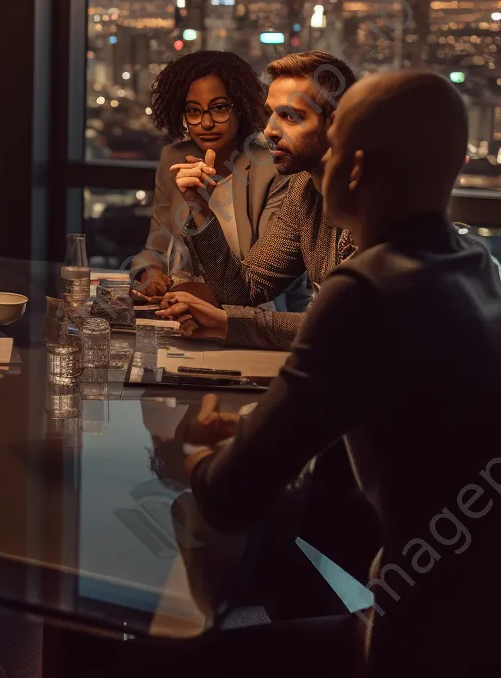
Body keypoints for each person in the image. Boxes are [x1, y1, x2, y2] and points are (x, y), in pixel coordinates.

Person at [182, 71, 501, 674]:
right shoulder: (475, 264)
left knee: (159, 652)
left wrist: (191, 460)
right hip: (470, 620)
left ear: (349, 169)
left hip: (418, 639)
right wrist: (259, 426)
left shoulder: (365, 287)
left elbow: (230, 498)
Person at [159, 50, 357, 349]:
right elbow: (244, 290)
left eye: (290, 116)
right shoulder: (304, 189)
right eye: (271, 114)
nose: (269, 131)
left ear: (335, 124)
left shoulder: (374, 200)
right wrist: (201, 209)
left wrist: (228, 325)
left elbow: (349, 324)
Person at [129, 50, 291, 300]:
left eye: (219, 108)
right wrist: (148, 273)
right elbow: (157, 246)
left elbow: (260, 280)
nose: (205, 123)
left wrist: (200, 208)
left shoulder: (271, 168)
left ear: (242, 108)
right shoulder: (174, 159)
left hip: (252, 317)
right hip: (180, 312)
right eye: (193, 111)